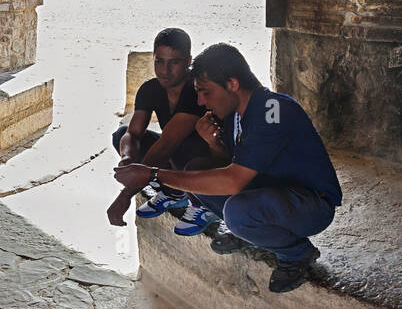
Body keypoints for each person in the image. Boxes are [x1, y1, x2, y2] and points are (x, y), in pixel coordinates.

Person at [113, 44, 341, 294]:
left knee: (236, 211)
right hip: (268, 196)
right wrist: (214, 144)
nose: (200, 101)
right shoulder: (235, 115)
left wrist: (153, 175)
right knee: (199, 170)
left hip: (310, 206)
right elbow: (228, 165)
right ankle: (248, 232)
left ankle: (297, 254)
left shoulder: (272, 110)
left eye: (205, 92)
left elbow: (233, 181)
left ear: (232, 84)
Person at [108, 27, 221, 226]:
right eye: (159, 61)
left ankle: (201, 204)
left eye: (173, 63)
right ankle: (175, 192)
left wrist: (125, 195)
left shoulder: (195, 91)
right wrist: (127, 159)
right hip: (174, 154)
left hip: (203, 160)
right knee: (120, 135)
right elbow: (133, 133)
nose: (164, 70)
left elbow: (166, 145)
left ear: (188, 62)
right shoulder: (150, 88)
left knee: (179, 148)